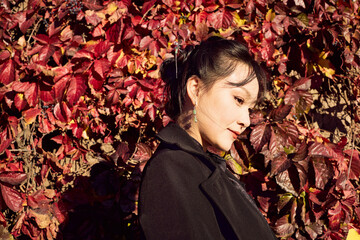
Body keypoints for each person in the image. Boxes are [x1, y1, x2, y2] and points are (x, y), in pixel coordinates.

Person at [139, 36, 277, 240]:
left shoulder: (206, 168)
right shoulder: (170, 170)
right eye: (239, 100)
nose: (246, 120)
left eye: (250, 108)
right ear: (196, 89)